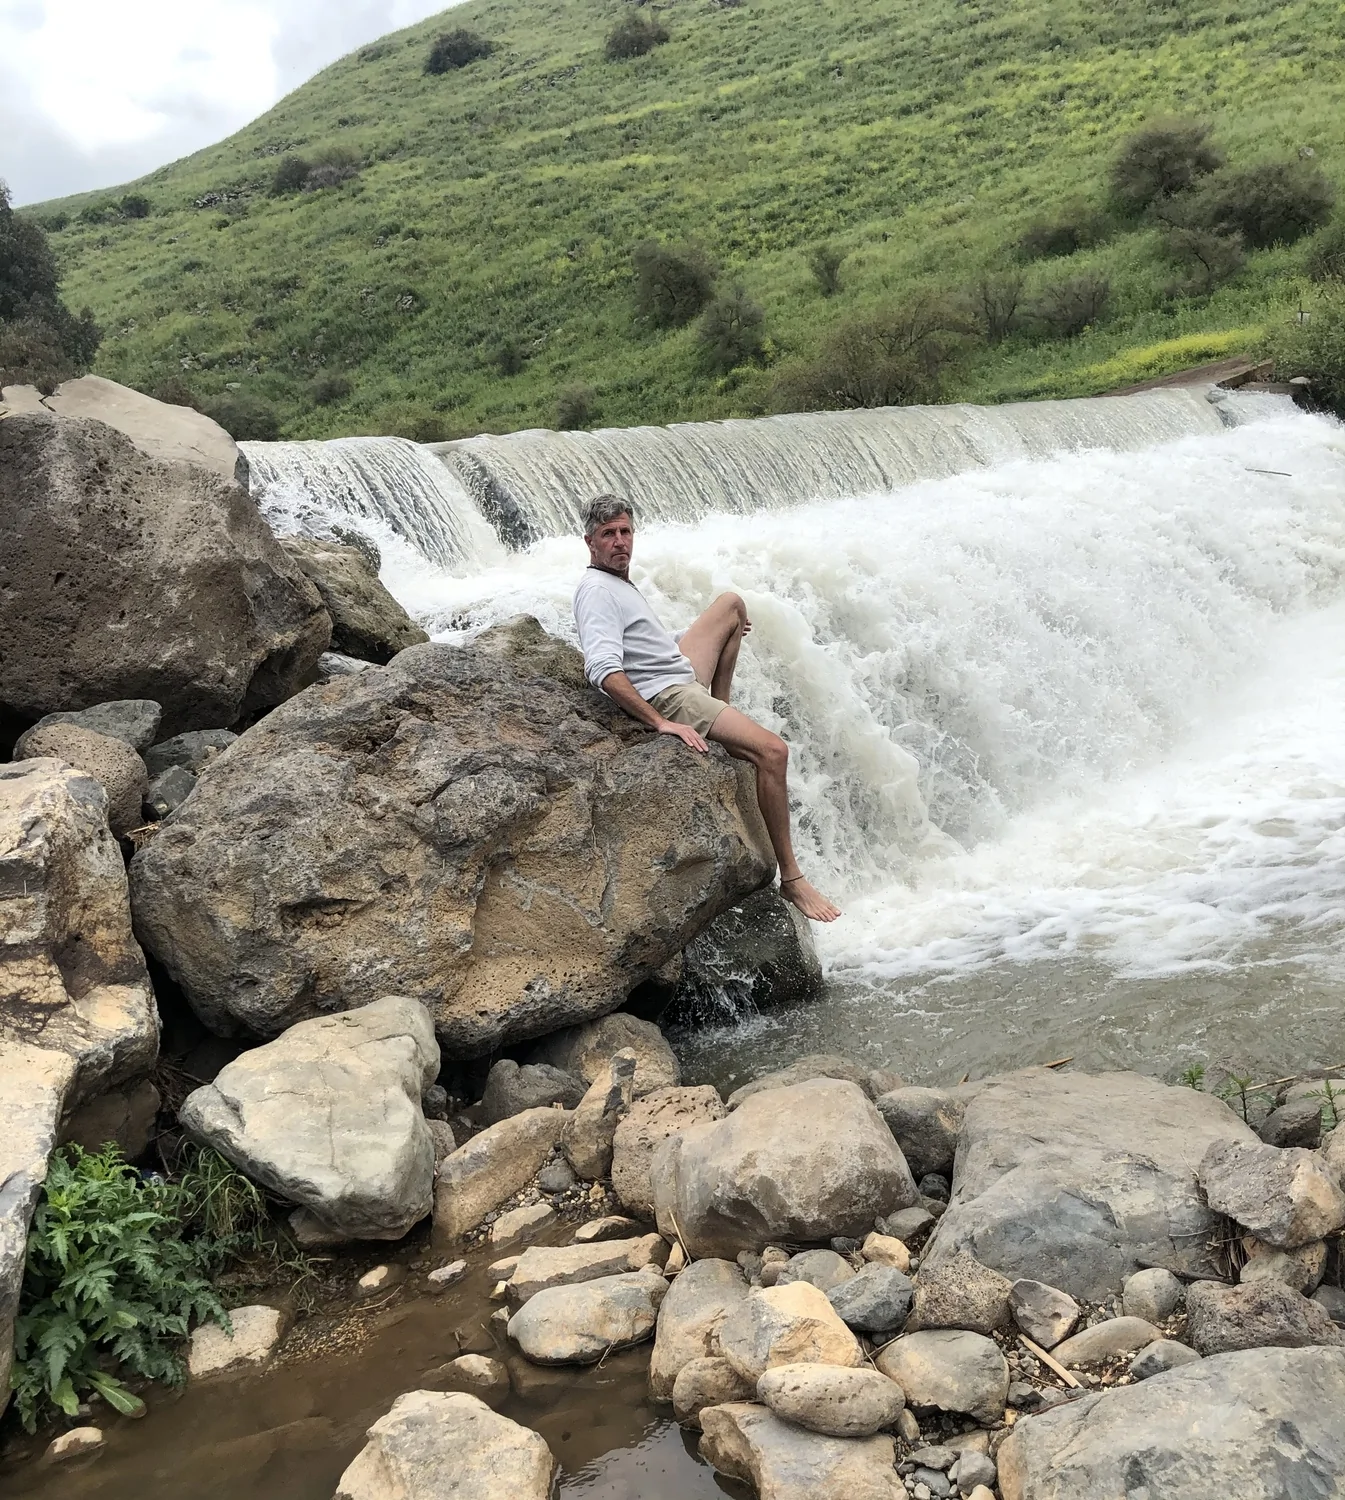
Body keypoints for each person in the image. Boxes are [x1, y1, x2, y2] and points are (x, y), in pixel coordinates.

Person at [572, 492, 841, 922]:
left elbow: (644, 644)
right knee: (774, 752)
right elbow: (602, 669)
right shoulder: (597, 592)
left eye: (625, 531)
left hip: (677, 671)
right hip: (670, 695)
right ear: (590, 542)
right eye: (608, 534)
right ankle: (792, 879)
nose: (620, 541)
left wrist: (694, 639)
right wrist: (660, 722)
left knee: (732, 607)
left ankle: (719, 710)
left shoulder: (617, 582)